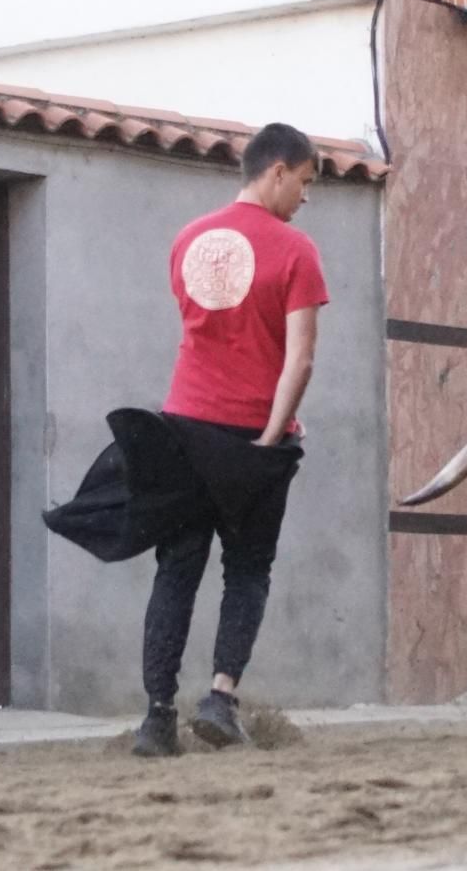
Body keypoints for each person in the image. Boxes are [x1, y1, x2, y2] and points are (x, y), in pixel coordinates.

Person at [132, 121, 329, 757]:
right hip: (250, 434)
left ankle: (157, 718)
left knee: (176, 571)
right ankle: (219, 697)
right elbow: (299, 362)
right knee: (247, 570)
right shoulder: (297, 251)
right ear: (278, 171)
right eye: (304, 183)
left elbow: (202, 335)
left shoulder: (187, 240)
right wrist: (270, 441)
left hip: (183, 427)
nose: (304, 198)